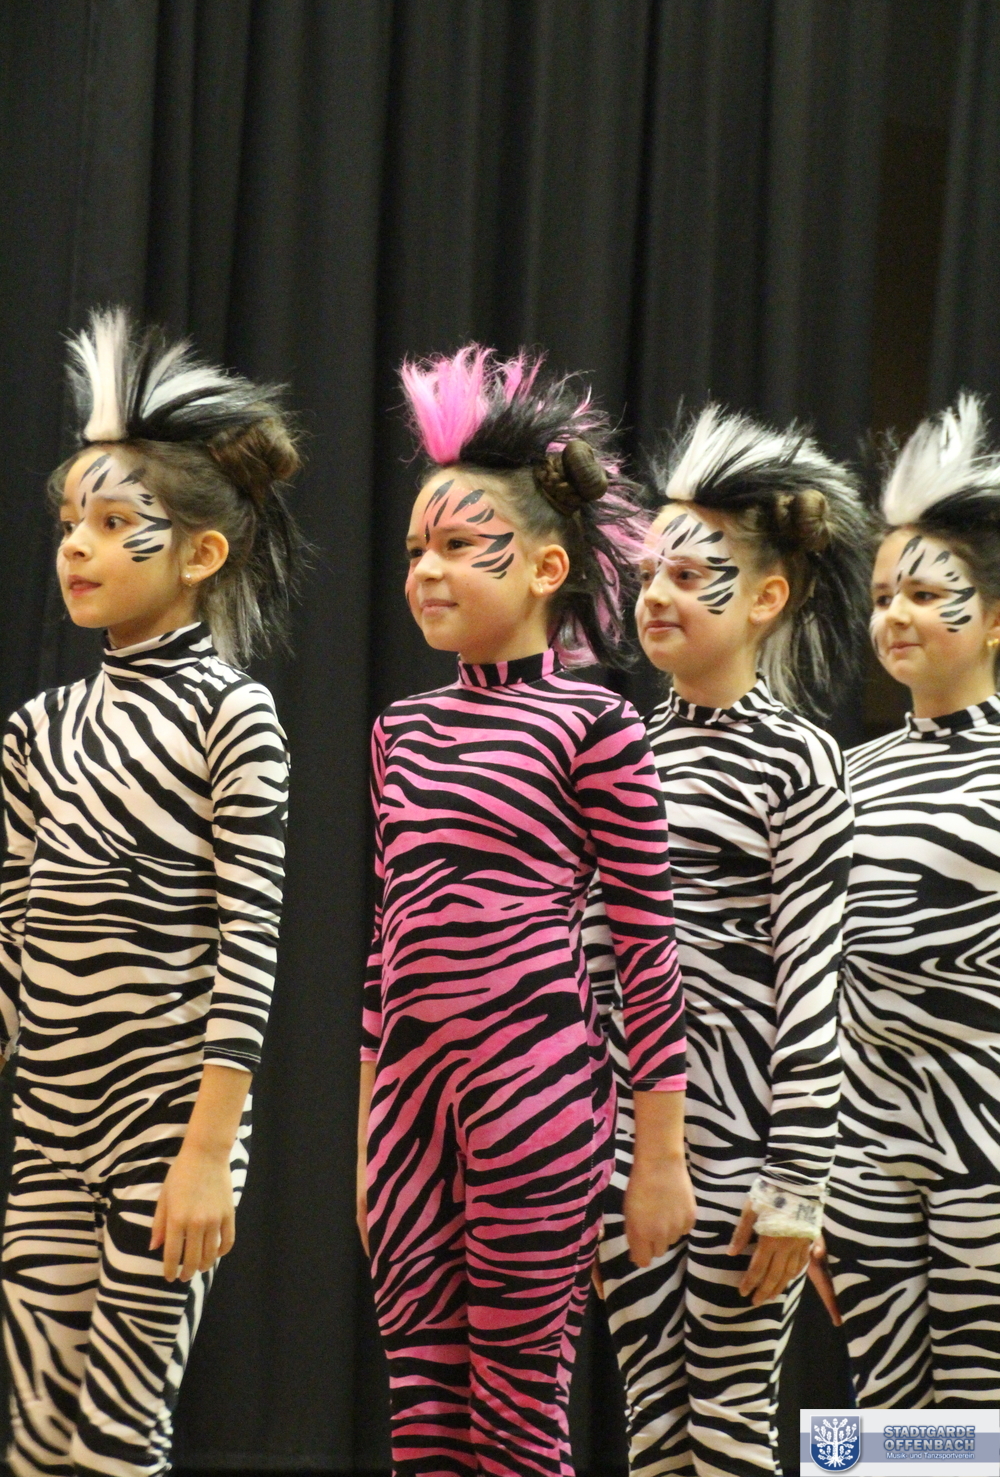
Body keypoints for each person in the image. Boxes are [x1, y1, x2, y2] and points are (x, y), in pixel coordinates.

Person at [356, 345, 696, 1477]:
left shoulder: (594, 726)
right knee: (421, 1410)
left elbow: (645, 945)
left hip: (539, 1092)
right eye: (417, 550)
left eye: (460, 546)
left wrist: (659, 1154)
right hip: (409, 1107)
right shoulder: (399, 731)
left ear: (548, 566)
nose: (427, 571)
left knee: (515, 1412)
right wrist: (369, 1132)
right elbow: (385, 947)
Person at [0, 308, 304, 1477]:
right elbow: (15, 941)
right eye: (70, 522)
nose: (77, 547)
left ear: (200, 553)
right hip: (50, 1128)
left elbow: (251, 942)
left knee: (118, 1438)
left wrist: (206, 1149)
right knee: (36, 1434)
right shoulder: (38, 729)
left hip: (166, 1127)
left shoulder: (236, 715)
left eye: (115, 523)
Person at [585, 406, 870, 1476]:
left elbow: (814, 981)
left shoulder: (799, 762)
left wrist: (797, 1182)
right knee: (653, 1425)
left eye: (689, 575)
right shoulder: (618, 750)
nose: (655, 595)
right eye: (647, 574)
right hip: (625, 1144)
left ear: (765, 599)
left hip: (748, 1148)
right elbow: (593, 965)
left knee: (729, 1423)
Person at [825, 394, 1000, 1407]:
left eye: (927, 595)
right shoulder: (847, 775)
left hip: (986, 1137)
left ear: (994, 619)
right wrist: (806, 1178)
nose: (894, 616)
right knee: (884, 1407)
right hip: (863, 1146)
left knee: (981, 1413)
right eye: (884, 595)